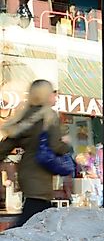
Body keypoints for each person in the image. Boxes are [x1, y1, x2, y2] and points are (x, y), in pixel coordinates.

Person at [0, 80, 71, 227]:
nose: (55, 96)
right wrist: (66, 144)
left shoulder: (26, 116)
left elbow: (6, 145)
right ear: (45, 95)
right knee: (34, 217)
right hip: (40, 175)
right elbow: (56, 146)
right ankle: (8, 240)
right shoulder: (49, 116)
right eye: (52, 92)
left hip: (27, 173)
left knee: (39, 215)